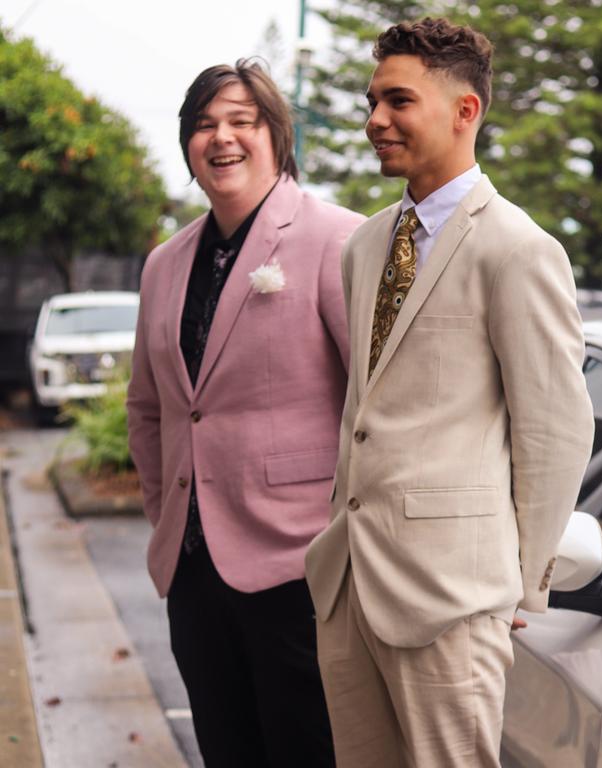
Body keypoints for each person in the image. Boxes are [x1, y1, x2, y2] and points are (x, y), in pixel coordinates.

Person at [304, 17, 594, 767]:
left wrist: (516, 588)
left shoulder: (519, 248)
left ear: (466, 110)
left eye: (398, 101)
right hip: (350, 583)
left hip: (452, 599)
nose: (375, 120)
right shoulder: (365, 245)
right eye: (372, 101)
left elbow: (554, 433)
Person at [126, 59, 363, 767]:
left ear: (275, 136)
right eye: (203, 126)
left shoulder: (337, 239)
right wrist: (165, 510)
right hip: (193, 570)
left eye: (240, 121)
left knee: (308, 752)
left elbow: (376, 406)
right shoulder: (164, 263)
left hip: (300, 565)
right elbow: (151, 407)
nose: (220, 138)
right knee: (226, 751)